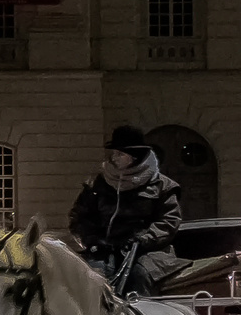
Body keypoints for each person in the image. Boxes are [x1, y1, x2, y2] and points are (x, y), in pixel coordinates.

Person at [68, 125, 184, 296]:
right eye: (113, 153)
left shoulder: (162, 186)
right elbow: (79, 216)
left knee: (140, 275)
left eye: (120, 154)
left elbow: (168, 221)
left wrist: (143, 239)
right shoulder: (97, 184)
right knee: (89, 275)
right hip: (104, 249)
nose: (114, 158)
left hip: (148, 251)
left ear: (135, 158)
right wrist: (92, 240)